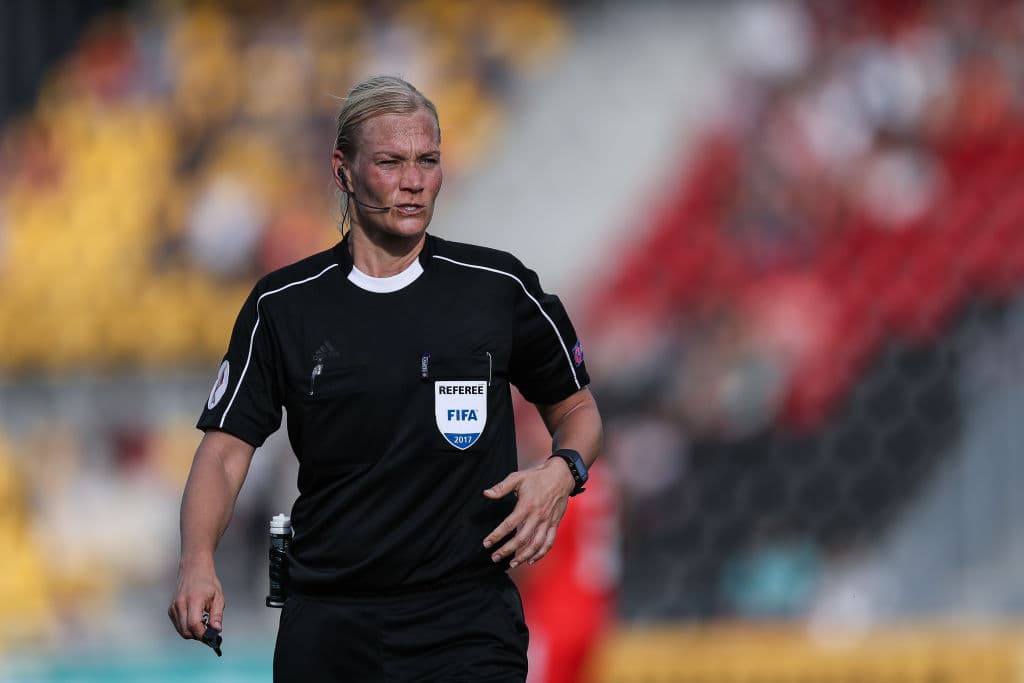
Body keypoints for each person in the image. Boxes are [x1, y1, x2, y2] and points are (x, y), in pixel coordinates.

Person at [167, 75, 603, 683]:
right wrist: (197, 561)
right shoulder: (284, 305)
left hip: (467, 623)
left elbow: (578, 409)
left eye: (428, 160)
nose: (414, 180)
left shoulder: (498, 288)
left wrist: (563, 471)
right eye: (391, 162)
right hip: (328, 625)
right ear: (343, 170)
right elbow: (223, 453)